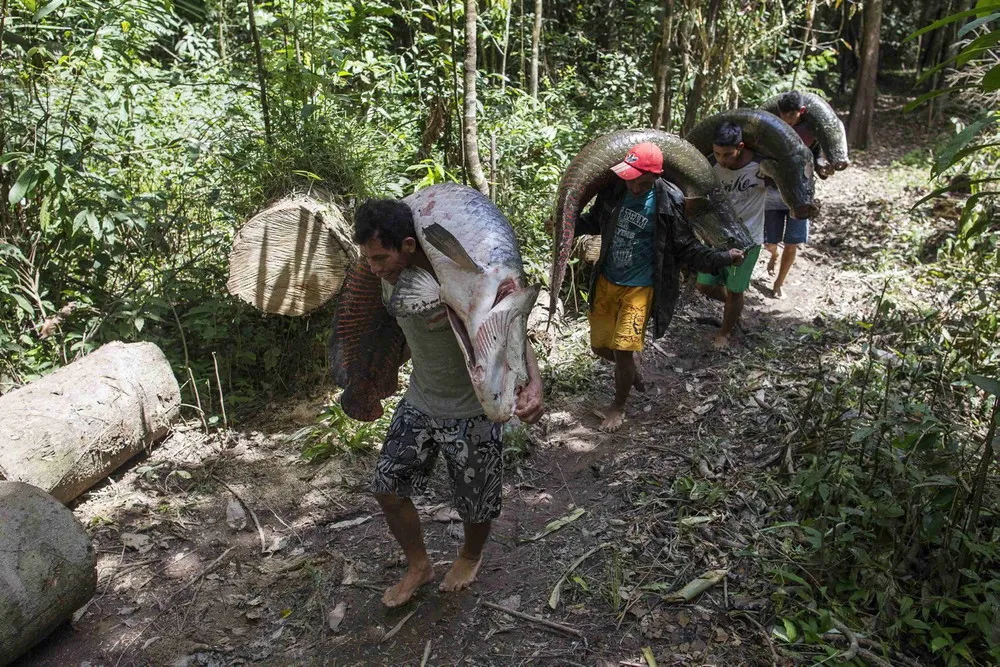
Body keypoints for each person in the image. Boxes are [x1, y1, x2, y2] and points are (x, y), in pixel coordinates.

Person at [354, 199, 545, 608]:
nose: (374, 267)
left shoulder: (461, 274)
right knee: (387, 487)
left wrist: (534, 384)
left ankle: (471, 555)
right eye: (368, 259)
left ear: (407, 245)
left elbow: (510, 325)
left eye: (380, 257)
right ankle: (419, 564)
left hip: (471, 409)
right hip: (422, 400)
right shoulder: (391, 274)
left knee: (476, 502)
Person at [575, 142, 744, 432]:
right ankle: (629, 374)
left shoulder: (669, 202)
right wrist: (567, 225)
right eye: (629, 177)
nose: (633, 185)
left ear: (654, 176)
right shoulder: (616, 189)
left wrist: (723, 257)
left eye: (639, 180)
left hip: (640, 288)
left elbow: (686, 247)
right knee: (601, 347)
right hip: (606, 281)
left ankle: (618, 408)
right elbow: (595, 220)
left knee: (624, 350)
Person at [695, 122, 766, 348]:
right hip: (718, 237)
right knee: (704, 286)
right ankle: (734, 310)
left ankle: (725, 332)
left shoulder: (760, 167)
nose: (722, 159)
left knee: (736, 290)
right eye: (717, 153)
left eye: (727, 154)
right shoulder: (712, 166)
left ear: (741, 147)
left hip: (749, 239)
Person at [765, 91, 820, 299]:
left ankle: (779, 283)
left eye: (792, 115)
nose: (787, 120)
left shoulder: (811, 133)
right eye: (784, 115)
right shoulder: (772, 130)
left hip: (800, 195)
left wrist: (824, 166)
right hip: (773, 191)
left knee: (792, 241)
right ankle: (773, 253)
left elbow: (819, 160)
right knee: (769, 240)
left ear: (802, 112)